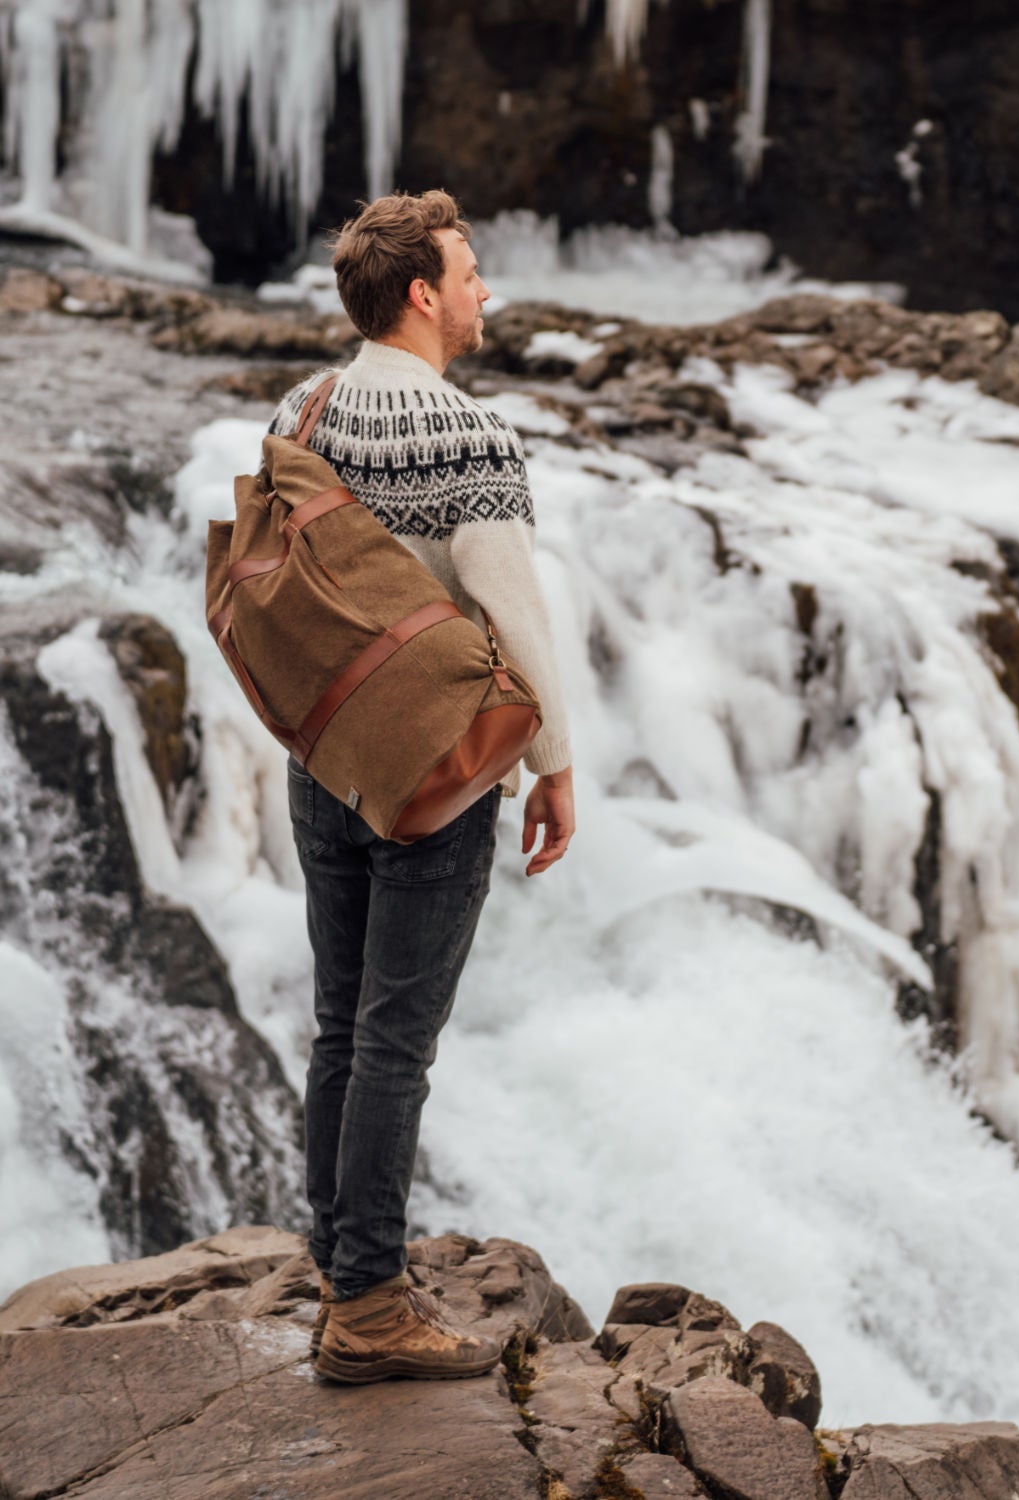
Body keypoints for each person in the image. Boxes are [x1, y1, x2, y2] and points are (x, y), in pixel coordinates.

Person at [268, 189, 574, 1384]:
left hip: (325, 755)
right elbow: (515, 615)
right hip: (436, 777)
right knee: (396, 1042)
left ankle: (340, 1269)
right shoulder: (469, 438)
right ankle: (374, 1309)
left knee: (340, 1026)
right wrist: (554, 765)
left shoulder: (303, 405)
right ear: (421, 295)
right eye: (470, 269)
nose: (484, 288)